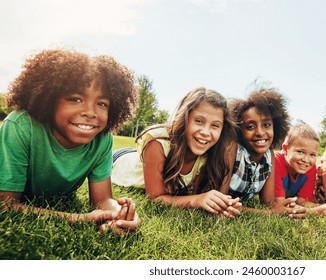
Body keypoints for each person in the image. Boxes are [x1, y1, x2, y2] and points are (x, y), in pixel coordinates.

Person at [0, 48, 141, 234]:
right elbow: (6, 205)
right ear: (50, 99)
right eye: (75, 99)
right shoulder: (21, 126)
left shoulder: (102, 139)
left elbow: (102, 200)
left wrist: (119, 215)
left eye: (101, 104)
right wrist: (77, 219)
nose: (90, 112)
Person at [111, 87, 241, 217]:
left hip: (142, 159)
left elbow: (193, 195)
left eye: (215, 125)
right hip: (119, 160)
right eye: (199, 121)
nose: (206, 132)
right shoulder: (157, 141)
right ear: (185, 118)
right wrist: (197, 200)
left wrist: (221, 206)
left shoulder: (210, 151)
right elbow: (157, 198)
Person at [223, 87, 307, 218]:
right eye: (250, 126)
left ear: (276, 126)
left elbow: (268, 202)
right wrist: (269, 213)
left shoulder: (269, 154)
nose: (260, 132)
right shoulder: (232, 149)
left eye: (266, 125)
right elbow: (222, 202)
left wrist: (289, 209)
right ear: (238, 130)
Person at [275, 123, 326, 216]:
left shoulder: (310, 168)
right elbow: (279, 205)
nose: (306, 160)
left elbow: (302, 201)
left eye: (312, 155)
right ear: (285, 148)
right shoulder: (277, 162)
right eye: (300, 152)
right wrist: (317, 211)